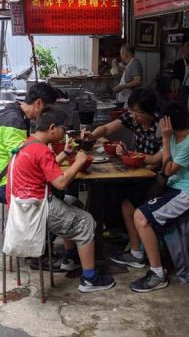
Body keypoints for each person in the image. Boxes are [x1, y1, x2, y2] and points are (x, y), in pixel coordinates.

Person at [6, 106, 115, 293]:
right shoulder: (42, 150)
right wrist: (79, 162)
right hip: (35, 209)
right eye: (64, 129)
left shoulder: (29, 144)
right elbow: (61, 183)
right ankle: (90, 279)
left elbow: (46, 168)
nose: (65, 133)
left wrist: (65, 153)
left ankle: (70, 258)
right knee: (86, 222)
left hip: (23, 206)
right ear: (52, 128)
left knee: (73, 203)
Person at [113, 102, 189, 293]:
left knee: (141, 216)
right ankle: (137, 253)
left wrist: (165, 139)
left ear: (167, 123)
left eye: (162, 121)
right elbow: (157, 160)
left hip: (187, 194)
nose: (159, 125)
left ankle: (158, 274)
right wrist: (127, 153)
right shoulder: (175, 138)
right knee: (129, 204)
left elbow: (167, 169)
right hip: (173, 188)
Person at [86, 88, 164, 250]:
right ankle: (114, 229)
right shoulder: (133, 117)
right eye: (132, 111)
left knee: (122, 193)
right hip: (137, 167)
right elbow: (107, 129)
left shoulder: (160, 126)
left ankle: (131, 237)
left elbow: (157, 161)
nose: (134, 116)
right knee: (106, 187)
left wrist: (132, 157)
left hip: (152, 173)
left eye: (138, 113)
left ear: (151, 112)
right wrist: (92, 135)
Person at [0, 82, 60, 204]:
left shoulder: (15, 112)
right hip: (1, 184)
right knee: (53, 189)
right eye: (47, 110)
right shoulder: (15, 121)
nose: (47, 115)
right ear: (39, 103)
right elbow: (25, 162)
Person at [171, 34, 189, 107]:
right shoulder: (178, 63)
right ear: (182, 48)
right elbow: (176, 81)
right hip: (183, 95)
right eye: (188, 45)